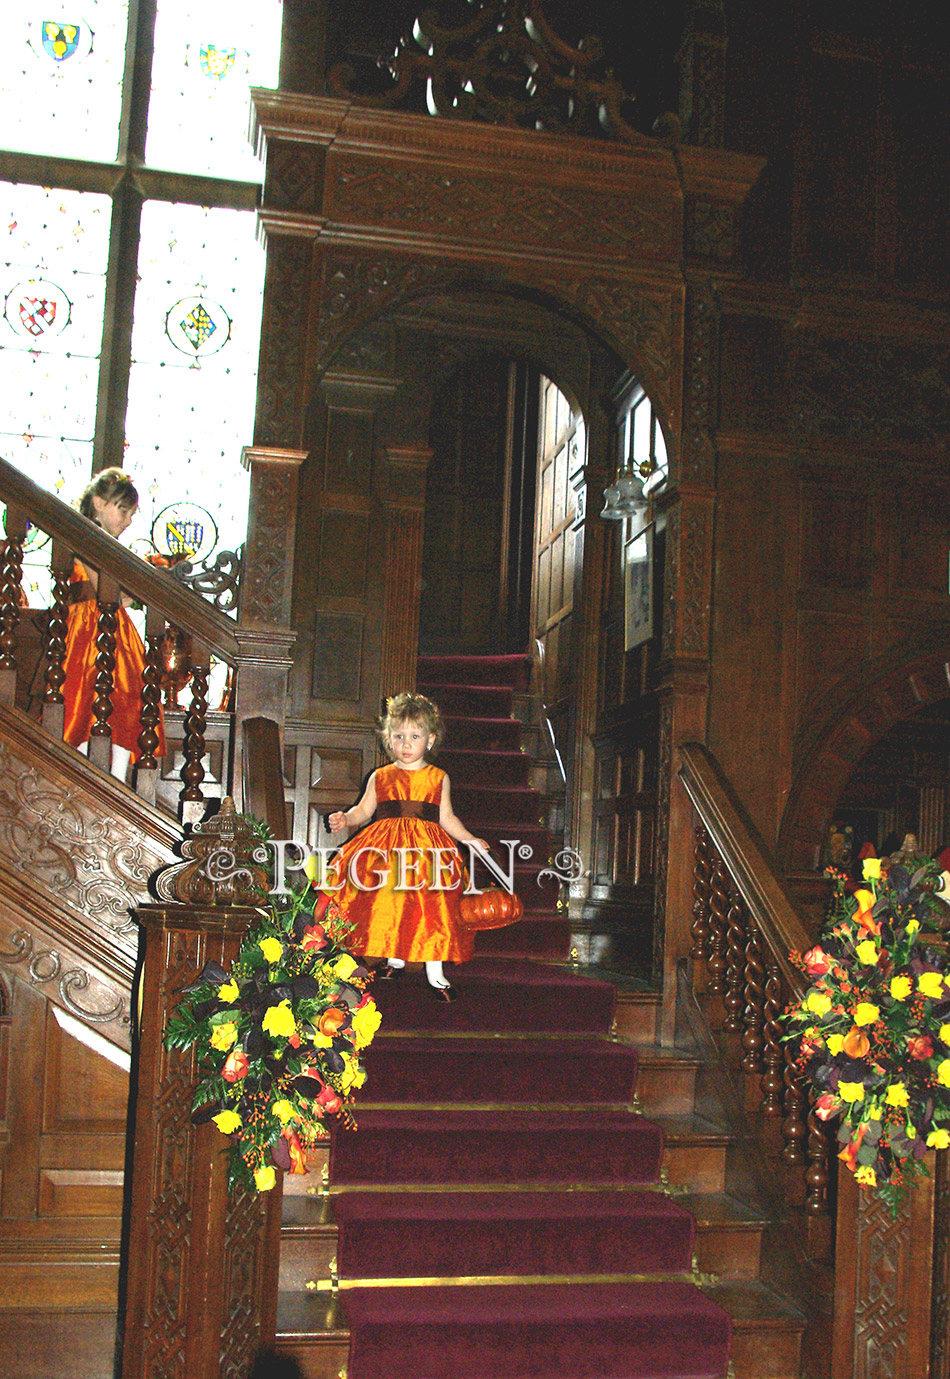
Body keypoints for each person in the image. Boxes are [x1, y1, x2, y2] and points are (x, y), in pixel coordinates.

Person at [321, 692, 488, 1002]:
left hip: (427, 852)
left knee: (431, 907)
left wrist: (469, 839)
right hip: (384, 850)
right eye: (399, 736)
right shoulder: (380, 776)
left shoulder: (438, 778)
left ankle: (435, 973)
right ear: (388, 739)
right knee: (387, 902)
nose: (406, 744)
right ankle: (395, 959)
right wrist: (346, 817)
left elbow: (447, 818)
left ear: (430, 739)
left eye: (414, 736)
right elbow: (364, 811)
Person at [63, 468, 165, 782]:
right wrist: (130, 590)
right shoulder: (86, 537)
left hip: (114, 626)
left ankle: (116, 779)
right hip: (92, 627)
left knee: (126, 697)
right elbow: (107, 589)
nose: (128, 520)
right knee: (90, 695)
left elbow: (121, 596)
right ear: (97, 502)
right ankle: (88, 774)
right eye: (123, 510)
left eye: (132, 514)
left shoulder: (105, 543)